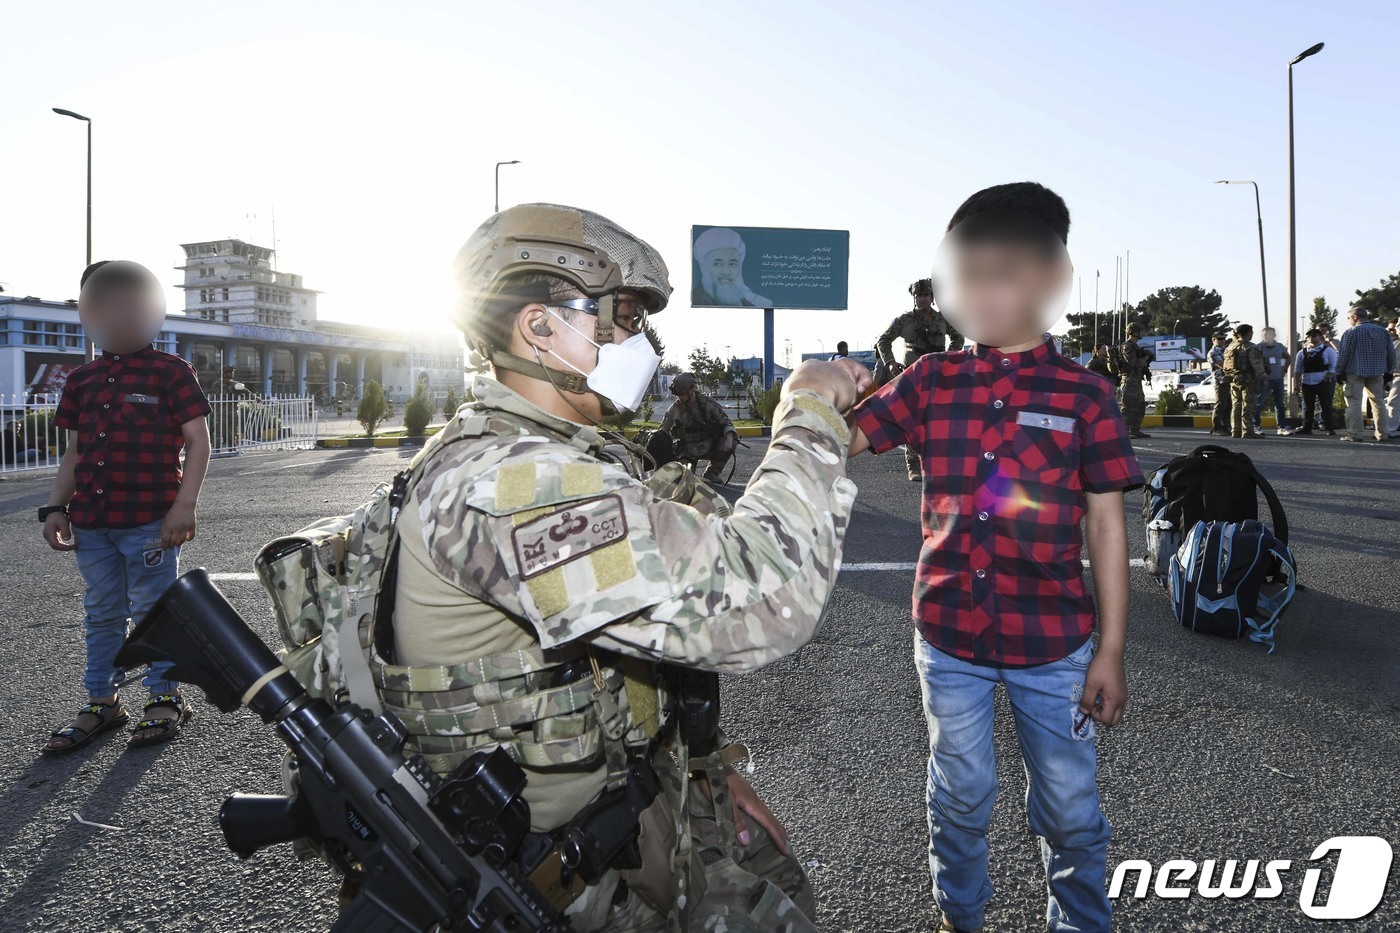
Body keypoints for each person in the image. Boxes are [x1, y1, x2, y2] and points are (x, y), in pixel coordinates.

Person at [383, 203, 869, 931]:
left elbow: (631, 648)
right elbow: (763, 594)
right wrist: (807, 411)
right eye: (625, 316)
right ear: (540, 328)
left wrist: (711, 776)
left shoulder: (565, 455)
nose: (640, 339)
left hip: (623, 814)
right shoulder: (506, 486)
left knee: (777, 890)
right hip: (546, 883)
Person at [849, 183, 1139, 933]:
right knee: (960, 792)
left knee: (1071, 807)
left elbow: (1108, 529)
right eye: (968, 271)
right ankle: (960, 916)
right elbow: (844, 437)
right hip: (949, 638)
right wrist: (814, 397)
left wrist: (1109, 650)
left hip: (1055, 645)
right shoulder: (931, 379)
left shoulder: (1085, 395)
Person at [41, 260, 212, 754]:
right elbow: (74, 454)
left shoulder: (171, 372)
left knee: (154, 611)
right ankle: (102, 701)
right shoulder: (81, 381)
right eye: (104, 306)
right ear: (87, 313)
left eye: (131, 306)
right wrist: (53, 507)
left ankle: (164, 697)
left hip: (149, 523)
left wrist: (185, 506)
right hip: (92, 524)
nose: (118, 317)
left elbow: (197, 442)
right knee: (102, 612)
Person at [877, 278, 965, 480]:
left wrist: (950, 356)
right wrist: (890, 362)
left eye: (926, 295)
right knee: (912, 420)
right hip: (912, 374)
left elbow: (958, 337)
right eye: (918, 295)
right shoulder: (905, 320)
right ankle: (914, 466)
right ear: (914, 297)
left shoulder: (944, 318)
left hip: (938, 374)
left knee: (939, 419)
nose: (922, 299)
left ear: (933, 297)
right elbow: (883, 340)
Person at [659, 371, 738, 482]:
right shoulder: (675, 408)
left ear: (692, 390)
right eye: (678, 395)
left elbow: (726, 422)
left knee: (732, 440)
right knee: (686, 480)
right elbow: (662, 431)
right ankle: (687, 470)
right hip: (687, 451)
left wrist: (729, 439)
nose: (680, 397)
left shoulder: (707, 402)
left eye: (682, 394)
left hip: (708, 445)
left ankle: (712, 472)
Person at [1334, 306, 1397, 443]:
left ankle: (1355, 434)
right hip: (1377, 372)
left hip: (1355, 372)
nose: (1349, 320)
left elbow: (1344, 355)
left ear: (1355, 317)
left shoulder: (1351, 332)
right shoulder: (1382, 331)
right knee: (1378, 403)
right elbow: (1391, 354)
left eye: (1349, 318)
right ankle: (1382, 433)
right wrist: (1389, 370)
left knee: (1354, 403)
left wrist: (1338, 371)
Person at [691, 227, 773, 307]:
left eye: (732, 264)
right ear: (702, 267)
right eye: (717, 264)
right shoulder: (697, 301)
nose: (726, 272)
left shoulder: (753, 303)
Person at [1221, 324, 1266, 440]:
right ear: (1247, 333)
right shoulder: (1250, 347)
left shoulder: (1229, 347)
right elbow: (1256, 364)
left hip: (1234, 379)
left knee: (1236, 405)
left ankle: (1235, 430)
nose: (1252, 335)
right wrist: (1263, 376)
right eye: (1251, 332)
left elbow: (1225, 366)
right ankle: (1247, 430)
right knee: (1248, 406)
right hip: (1249, 380)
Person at [1293, 328, 1337, 435]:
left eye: (1314, 335)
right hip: (1307, 382)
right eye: (1309, 336)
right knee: (1308, 407)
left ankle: (1330, 428)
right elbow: (1298, 370)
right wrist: (1296, 384)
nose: (1312, 338)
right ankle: (1307, 428)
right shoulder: (1302, 353)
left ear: (1320, 337)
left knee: (1326, 405)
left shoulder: (1328, 351)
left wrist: (1327, 378)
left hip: (1322, 381)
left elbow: (1333, 367)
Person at [1117, 321, 1153, 440]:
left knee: (1139, 406)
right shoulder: (1127, 346)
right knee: (1127, 407)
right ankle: (1123, 431)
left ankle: (1135, 430)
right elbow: (1133, 362)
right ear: (1134, 332)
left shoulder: (1135, 346)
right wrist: (1145, 358)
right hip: (1129, 381)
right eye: (1140, 330)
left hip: (1136, 381)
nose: (1142, 332)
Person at [1253, 326, 1290, 434]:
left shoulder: (1279, 346)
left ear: (1274, 335)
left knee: (1280, 404)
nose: (1268, 336)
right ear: (1262, 336)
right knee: (1259, 403)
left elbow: (1288, 357)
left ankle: (1282, 427)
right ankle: (1256, 426)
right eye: (1265, 334)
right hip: (1264, 380)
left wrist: (1285, 369)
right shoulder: (1258, 347)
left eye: (1270, 334)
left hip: (1278, 378)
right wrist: (1262, 376)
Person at [1207, 332, 1230, 435]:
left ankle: (1226, 427)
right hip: (1220, 380)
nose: (1222, 340)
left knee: (1229, 405)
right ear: (1214, 340)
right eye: (1219, 339)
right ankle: (1216, 428)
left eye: (1223, 338)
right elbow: (1223, 365)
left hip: (1229, 380)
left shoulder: (1226, 350)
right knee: (1220, 404)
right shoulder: (1212, 352)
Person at [1385, 319, 1400, 439]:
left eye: (1392, 329)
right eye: (1388, 329)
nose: (1390, 332)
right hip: (1389, 376)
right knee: (1387, 403)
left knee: (1393, 402)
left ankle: (1391, 429)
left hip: (1399, 375)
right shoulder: (1388, 342)